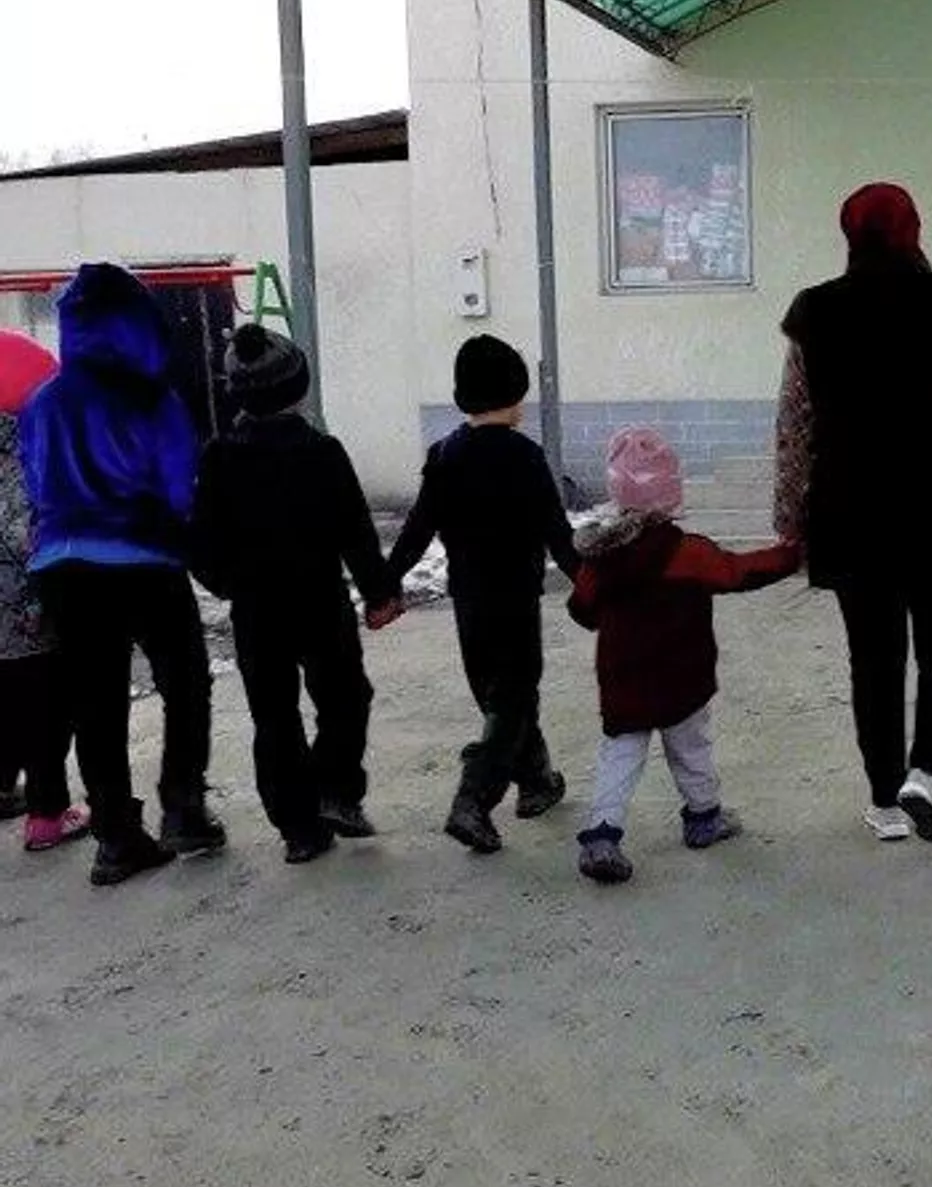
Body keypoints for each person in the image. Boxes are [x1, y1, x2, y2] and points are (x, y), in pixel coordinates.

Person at [774, 182, 932, 844]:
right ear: (914, 228)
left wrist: (788, 521)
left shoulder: (815, 312)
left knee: (874, 658)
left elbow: (794, 426)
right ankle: (926, 772)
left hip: (850, 510)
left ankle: (885, 802)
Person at [21, 263, 224, 885]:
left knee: (96, 702)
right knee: (185, 683)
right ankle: (183, 807)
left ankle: (115, 837)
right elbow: (179, 485)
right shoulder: (154, 399)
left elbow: (36, 483)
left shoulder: (44, 402)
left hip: (64, 565)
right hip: (146, 558)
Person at [189, 326, 403, 864]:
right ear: (299, 388)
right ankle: (335, 789)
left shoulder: (218, 457)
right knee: (346, 697)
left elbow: (202, 542)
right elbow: (356, 530)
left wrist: (229, 584)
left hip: (256, 611)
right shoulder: (321, 451)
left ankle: (299, 829)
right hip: (320, 601)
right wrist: (379, 591)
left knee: (274, 717)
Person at [569, 427, 801, 884]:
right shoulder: (688, 552)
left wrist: (608, 620)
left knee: (620, 755)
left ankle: (602, 834)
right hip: (682, 678)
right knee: (692, 749)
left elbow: (581, 608)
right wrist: (789, 555)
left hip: (623, 680)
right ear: (672, 493)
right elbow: (740, 572)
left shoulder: (602, 558)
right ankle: (703, 817)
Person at [388, 333, 578, 855]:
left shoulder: (444, 455)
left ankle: (537, 780)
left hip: (469, 602)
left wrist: (385, 581)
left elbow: (417, 529)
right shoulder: (525, 456)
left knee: (502, 697)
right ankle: (473, 799)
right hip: (516, 599)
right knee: (512, 699)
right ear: (514, 394)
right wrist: (591, 584)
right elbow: (557, 533)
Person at [0, 329, 86, 854]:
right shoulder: (26, 458)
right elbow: (25, 536)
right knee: (47, 715)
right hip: (29, 618)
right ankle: (47, 816)